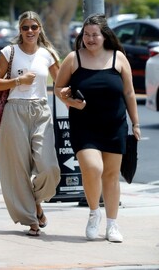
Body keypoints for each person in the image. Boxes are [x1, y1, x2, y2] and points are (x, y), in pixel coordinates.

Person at [54, 13, 141, 242]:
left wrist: (136, 123)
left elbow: (129, 93)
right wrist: (70, 101)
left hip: (115, 126)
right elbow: (58, 89)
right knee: (93, 168)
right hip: (84, 126)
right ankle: (94, 213)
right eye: (86, 35)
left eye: (95, 35)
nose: (90, 39)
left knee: (111, 175)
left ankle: (112, 225)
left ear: (105, 36)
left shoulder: (118, 58)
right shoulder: (74, 59)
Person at [0, 11, 61, 236]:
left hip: (40, 110)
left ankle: (35, 201)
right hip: (15, 110)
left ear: (40, 28)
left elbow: (61, 84)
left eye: (33, 27)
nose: (30, 31)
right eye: (25, 28)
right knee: (18, 169)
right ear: (19, 30)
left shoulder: (47, 54)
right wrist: (18, 80)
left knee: (50, 167)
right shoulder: (9, 52)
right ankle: (31, 218)